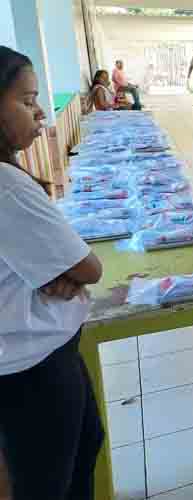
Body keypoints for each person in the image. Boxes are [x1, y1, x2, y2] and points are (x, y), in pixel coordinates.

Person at [0, 46, 104, 500]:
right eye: (26, 101)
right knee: (51, 479)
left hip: (28, 356)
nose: (40, 111)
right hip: (31, 366)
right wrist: (64, 266)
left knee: (79, 449)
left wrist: (55, 266)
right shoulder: (6, 187)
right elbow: (89, 267)